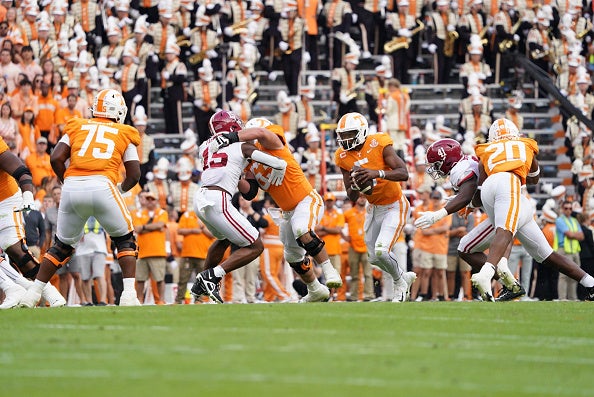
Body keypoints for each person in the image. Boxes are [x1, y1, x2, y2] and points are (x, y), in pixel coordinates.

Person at [417, 136, 594, 301]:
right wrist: (468, 204)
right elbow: (475, 196)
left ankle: (509, 284)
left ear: (448, 159)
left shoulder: (460, 169)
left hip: (508, 206)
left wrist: (438, 214)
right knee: (546, 255)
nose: (436, 169)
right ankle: (590, 282)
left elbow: (467, 194)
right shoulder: (469, 161)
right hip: (519, 205)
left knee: (465, 248)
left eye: (437, 163)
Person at [19, 89, 143, 308]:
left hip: (73, 186)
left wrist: (65, 180)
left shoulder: (77, 125)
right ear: (117, 111)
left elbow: (56, 157)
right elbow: (134, 174)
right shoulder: (125, 131)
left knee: (61, 246)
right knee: (125, 239)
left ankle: (33, 294)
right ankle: (129, 296)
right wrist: (120, 189)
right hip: (103, 184)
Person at [206, 115, 344, 302]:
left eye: (250, 137)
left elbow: (262, 132)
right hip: (287, 211)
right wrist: (235, 175)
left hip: (306, 200)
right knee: (293, 255)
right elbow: (250, 193)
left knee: (301, 229)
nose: (249, 142)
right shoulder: (252, 161)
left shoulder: (274, 143)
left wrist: (231, 137)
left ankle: (329, 270)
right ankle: (315, 289)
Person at [189, 110, 290, 304]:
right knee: (255, 245)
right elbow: (275, 163)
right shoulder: (242, 147)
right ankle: (212, 276)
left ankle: (199, 289)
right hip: (218, 198)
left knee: (224, 238)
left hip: (201, 197)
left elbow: (246, 190)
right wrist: (279, 165)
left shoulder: (204, 147)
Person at [333, 112, 416, 302]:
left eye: (350, 134)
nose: (346, 139)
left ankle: (400, 283)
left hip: (395, 204)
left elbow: (403, 173)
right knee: (373, 258)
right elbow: (351, 195)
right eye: (343, 135)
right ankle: (403, 276)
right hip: (373, 208)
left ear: (362, 132)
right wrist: (356, 184)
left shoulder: (378, 143)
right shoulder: (342, 156)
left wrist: (376, 173)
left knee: (381, 250)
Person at [0, 134, 64, 309]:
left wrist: (28, 194)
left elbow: (21, 170)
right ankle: (21, 287)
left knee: (16, 250)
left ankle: (46, 292)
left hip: (6, 199)